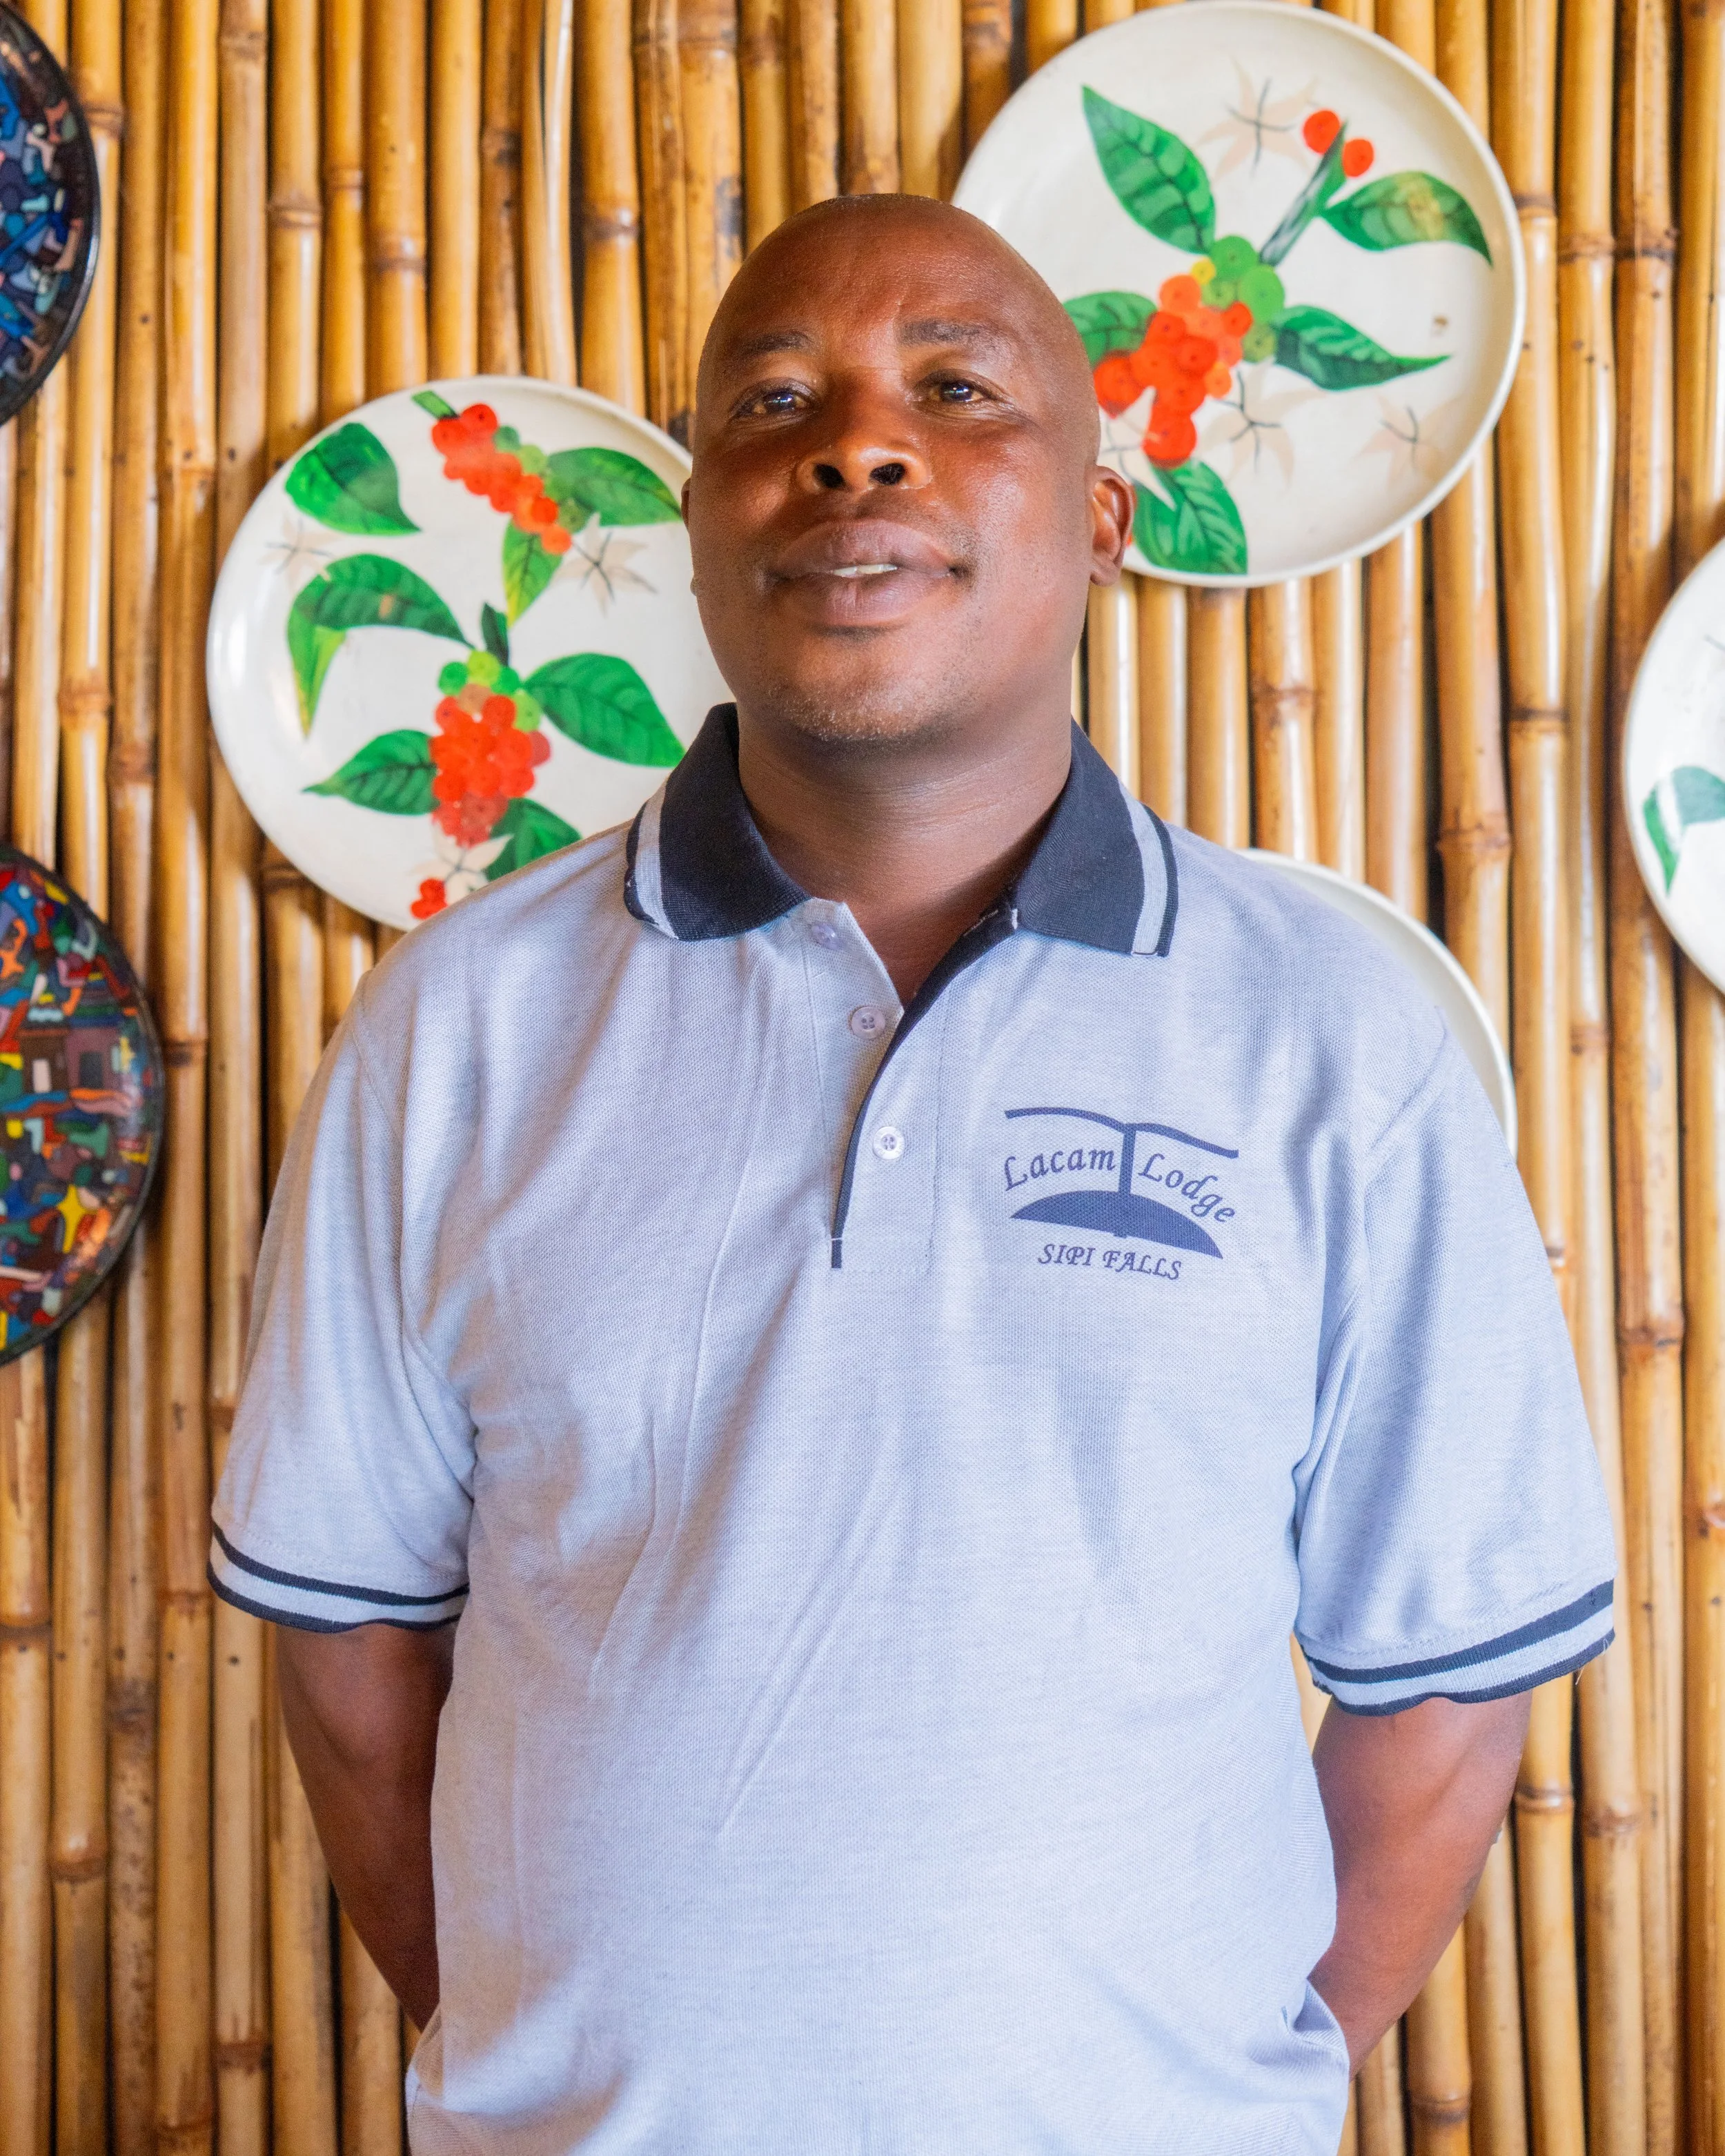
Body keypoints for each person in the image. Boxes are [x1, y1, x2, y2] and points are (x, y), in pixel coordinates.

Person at [211, 195, 1614, 2155]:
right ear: (693, 531)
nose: (853, 444)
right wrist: (524, 2053)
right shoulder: (460, 1029)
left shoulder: (1329, 1038)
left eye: (956, 388)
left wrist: (1239, 2086)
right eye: (771, 401)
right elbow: (350, 1643)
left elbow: (1445, 1696)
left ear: (1105, 514)